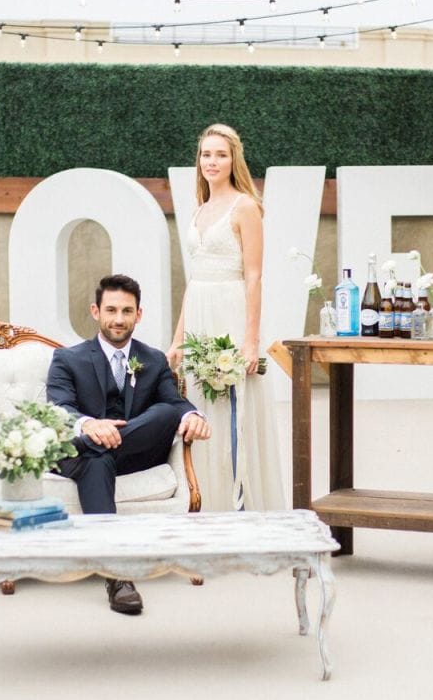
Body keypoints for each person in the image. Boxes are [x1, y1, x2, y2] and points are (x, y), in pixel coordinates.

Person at [47, 274, 210, 615]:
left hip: (130, 454)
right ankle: (118, 576)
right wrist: (90, 425)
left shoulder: (154, 359)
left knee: (167, 412)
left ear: (139, 314)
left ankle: (87, 446)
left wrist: (193, 415)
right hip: (90, 459)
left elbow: (174, 402)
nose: (118, 319)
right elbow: (58, 409)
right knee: (97, 461)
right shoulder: (67, 359)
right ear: (95, 311)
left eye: (126, 311)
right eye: (111, 310)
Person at [166, 123, 285, 512]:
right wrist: (178, 339)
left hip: (230, 313)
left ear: (234, 160)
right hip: (200, 313)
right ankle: (208, 502)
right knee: (201, 408)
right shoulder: (199, 210)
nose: (212, 162)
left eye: (220, 154)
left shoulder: (245, 207)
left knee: (235, 410)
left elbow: (254, 276)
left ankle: (242, 506)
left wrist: (250, 342)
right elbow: (194, 280)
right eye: (206, 154)